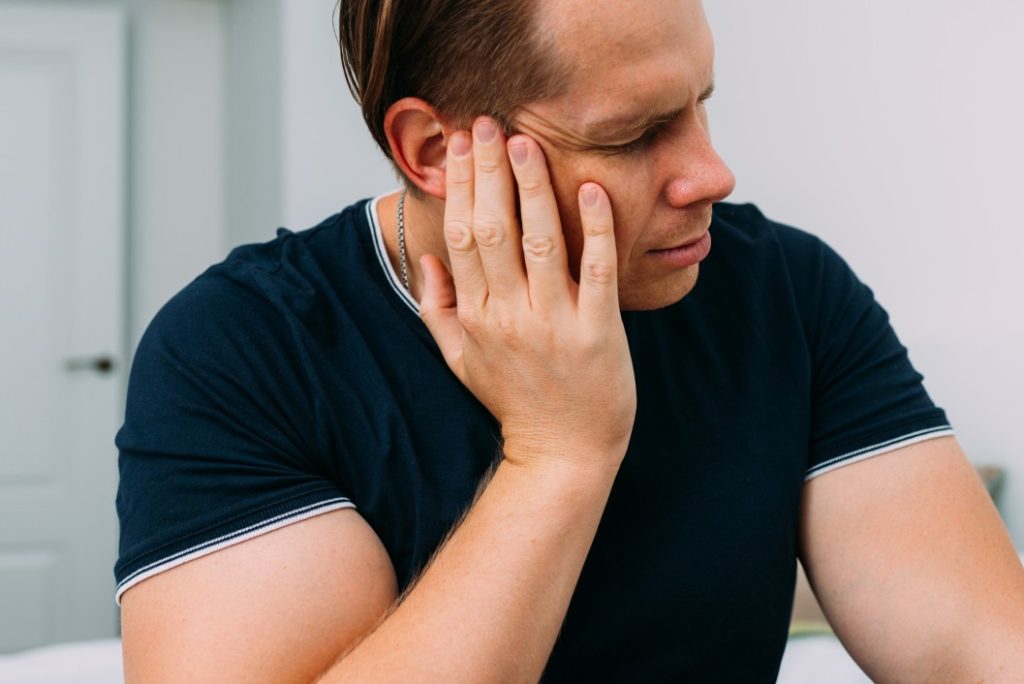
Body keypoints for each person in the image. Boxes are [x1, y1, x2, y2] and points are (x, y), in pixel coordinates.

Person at [115, 0, 1024, 681]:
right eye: (635, 135)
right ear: (433, 149)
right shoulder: (242, 349)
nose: (712, 172)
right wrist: (558, 455)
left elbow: (980, 653)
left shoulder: (783, 292)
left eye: (701, 103)